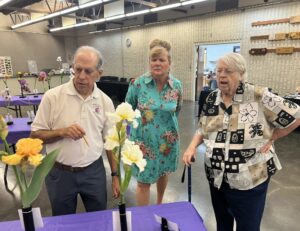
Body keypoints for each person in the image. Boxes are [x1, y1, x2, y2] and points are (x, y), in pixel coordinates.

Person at [183, 53, 300, 231]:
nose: (221, 75)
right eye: (219, 71)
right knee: (223, 225)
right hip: (217, 177)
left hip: (249, 179)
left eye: (228, 71)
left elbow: (296, 115)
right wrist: (191, 147)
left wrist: (273, 136)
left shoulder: (259, 95)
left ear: (241, 74)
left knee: (248, 227)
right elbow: (202, 128)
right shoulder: (211, 98)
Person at [30, 46, 119, 216]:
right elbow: (34, 137)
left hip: (94, 172)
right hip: (59, 174)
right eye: (77, 69)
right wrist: (61, 132)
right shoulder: (52, 97)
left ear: (99, 73)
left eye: (88, 71)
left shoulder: (105, 102)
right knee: (62, 222)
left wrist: (115, 175)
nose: (81, 76)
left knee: (99, 220)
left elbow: (111, 142)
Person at [125, 39, 183, 206]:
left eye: (161, 60)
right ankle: (144, 217)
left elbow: (177, 110)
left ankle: (159, 204)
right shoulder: (138, 84)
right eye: (153, 59)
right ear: (149, 62)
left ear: (169, 63)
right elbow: (128, 108)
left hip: (166, 141)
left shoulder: (176, 85)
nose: (157, 63)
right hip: (144, 142)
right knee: (143, 182)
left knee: (163, 173)